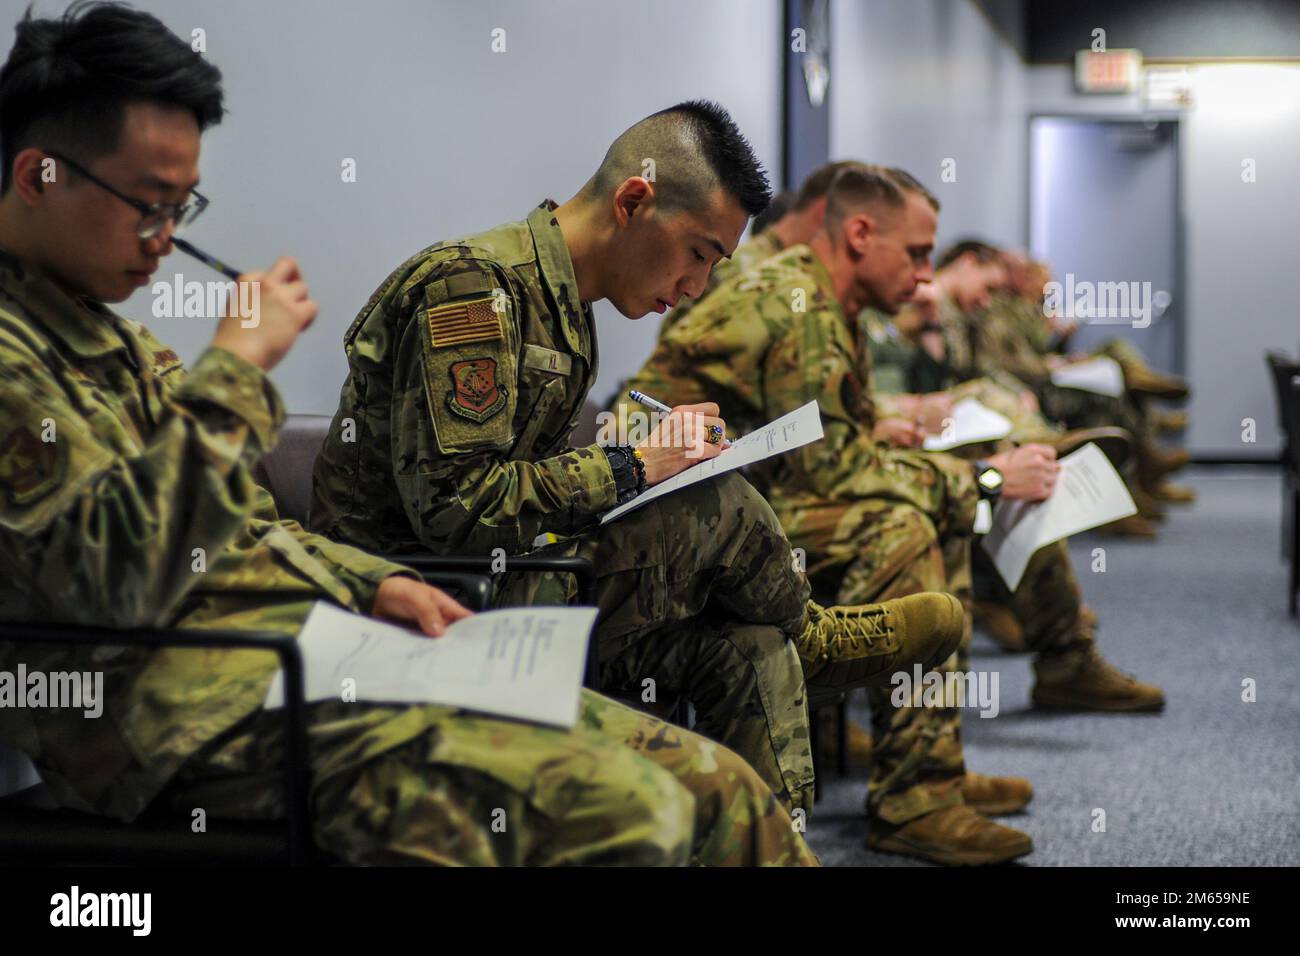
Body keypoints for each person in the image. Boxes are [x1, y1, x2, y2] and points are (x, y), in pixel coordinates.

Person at [0, 1, 819, 866]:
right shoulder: (18, 358)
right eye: (148, 205)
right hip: (184, 704)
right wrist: (234, 374)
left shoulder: (113, 340)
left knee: (725, 793)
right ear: (38, 176)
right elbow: (117, 580)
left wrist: (368, 587)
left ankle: (806, 631)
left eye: (182, 206)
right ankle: (818, 631)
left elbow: (245, 532)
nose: (166, 240)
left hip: (311, 644)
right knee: (634, 813)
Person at [310, 103, 964, 819]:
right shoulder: (472, 290)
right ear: (634, 201)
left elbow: (528, 490)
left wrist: (648, 457)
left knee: (750, 646)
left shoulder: (565, 308)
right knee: (710, 506)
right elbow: (459, 510)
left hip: (518, 583)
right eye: (698, 253)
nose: (697, 286)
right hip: (424, 607)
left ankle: (781, 839)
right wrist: (633, 467)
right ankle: (812, 633)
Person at [615, 164, 1167, 864]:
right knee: (899, 523)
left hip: (741, 497)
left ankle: (930, 771)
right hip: (669, 521)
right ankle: (914, 797)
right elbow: (832, 473)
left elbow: (829, 444)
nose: (925, 274)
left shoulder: (827, 304)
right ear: (858, 234)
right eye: (914, 253)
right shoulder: (798, 305)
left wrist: (925, 453)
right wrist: (985, 476)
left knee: (935, 510)